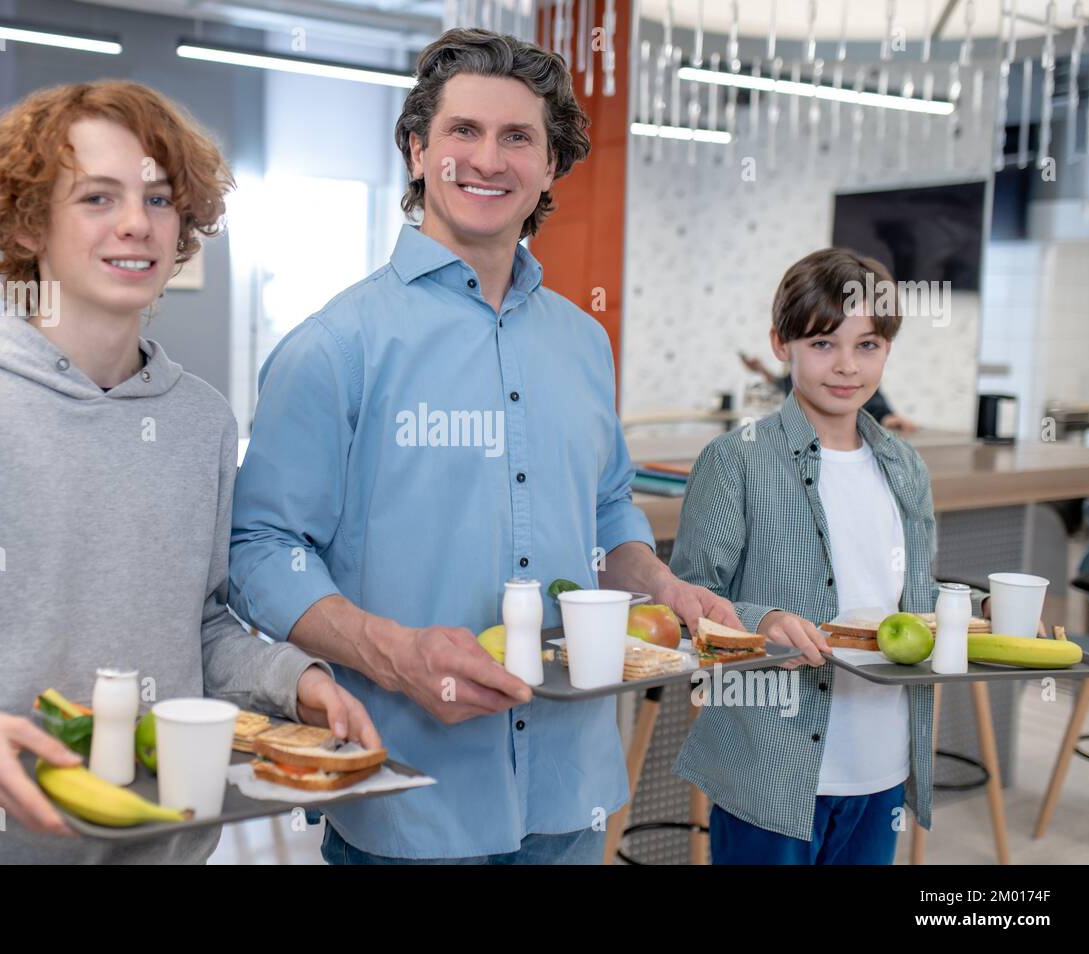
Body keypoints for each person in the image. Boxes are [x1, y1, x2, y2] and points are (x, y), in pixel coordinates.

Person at [0, 80, 377, 864]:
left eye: (159, 199)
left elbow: (201, 625)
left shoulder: (202, 424)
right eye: (97, 197)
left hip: (165, 845)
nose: (136, 224)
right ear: (27, 224)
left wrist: (296, 680)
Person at [228, 28, 739, 864]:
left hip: (571, 791)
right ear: (417, 149)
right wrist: (395, 658)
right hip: (408, 797)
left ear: (549, 166)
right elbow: (261, 549)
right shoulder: (336, 344)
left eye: (517, 138)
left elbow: (606, 511)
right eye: (463, 131)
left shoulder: (583, 342)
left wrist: (661, 586)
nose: (487, 159)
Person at [674, 248, 941, 864]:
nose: (847, 366)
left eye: (867, 345)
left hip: (882, 767)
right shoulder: (735, 460)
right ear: (781, 344)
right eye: (823, 344)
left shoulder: (906, 468)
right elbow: (685, 610)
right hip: (771, 771)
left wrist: (989, 611)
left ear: (888, 350)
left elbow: (921, 602)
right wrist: (762, 620)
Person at [739, 350, 917, 432]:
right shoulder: (795, 375)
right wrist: (761, 369)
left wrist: (886, 417)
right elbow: (783, 384)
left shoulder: (846, 374)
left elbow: (868, 398)